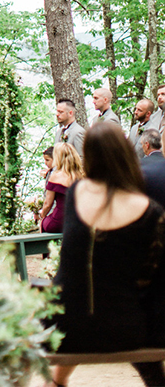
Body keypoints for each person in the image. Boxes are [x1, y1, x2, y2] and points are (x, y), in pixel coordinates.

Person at [47, 121, 165, 387]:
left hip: (66, 328)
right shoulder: (151, 212)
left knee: (83, 306)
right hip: (124, 329)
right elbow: (154, 279)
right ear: (127, 154)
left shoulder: (77, 193)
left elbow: (70, 264)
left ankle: (55, 383)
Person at [38, 143, 83, 233]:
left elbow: (47, 204)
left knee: (43, 223)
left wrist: (42, 216)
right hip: (79, 221)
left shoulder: (55, 176)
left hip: (60, 221)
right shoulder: (82, 175)